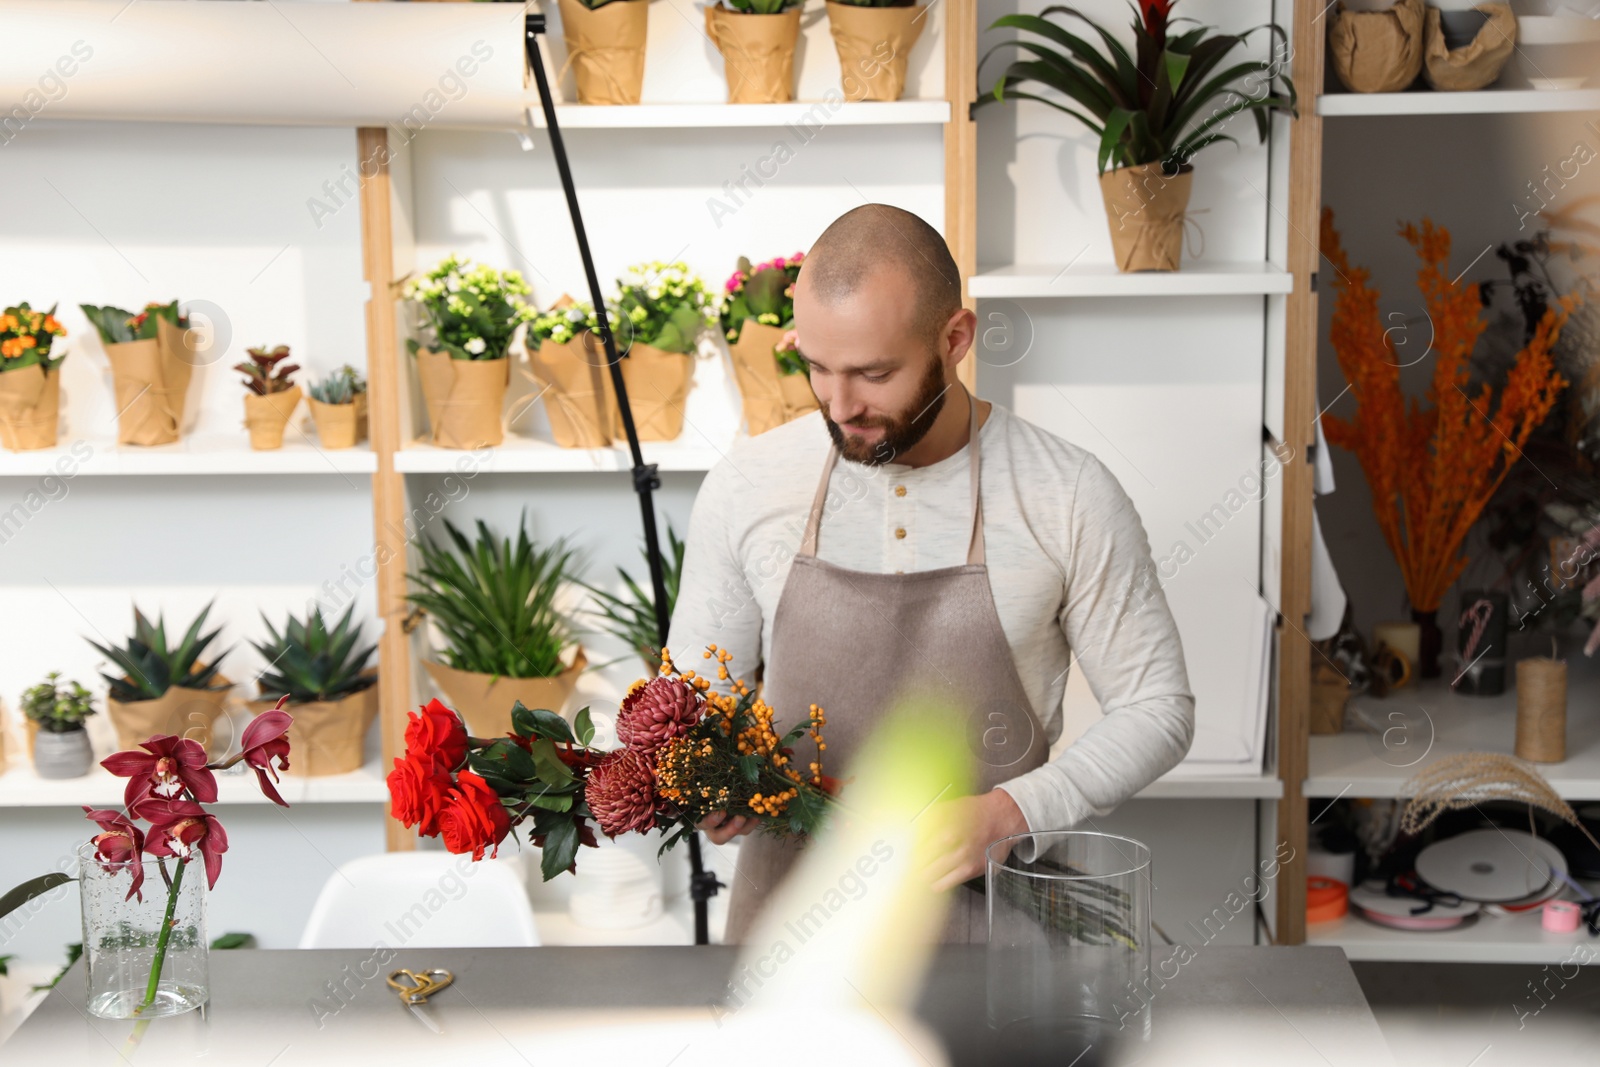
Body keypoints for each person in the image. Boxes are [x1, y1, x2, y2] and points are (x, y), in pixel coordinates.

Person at [664, 203, 1194, 943]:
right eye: (816, 367)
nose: (840, 405)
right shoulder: (749, 486)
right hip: (788, 945)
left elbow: (1158, 705)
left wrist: (1012, 811)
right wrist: (707, 776)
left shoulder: (1065, 492)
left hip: (995, 944)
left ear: (955, 339)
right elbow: (696, 689)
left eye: (874, 373)